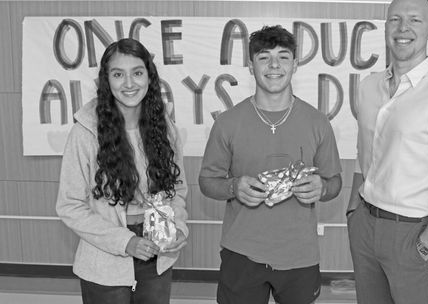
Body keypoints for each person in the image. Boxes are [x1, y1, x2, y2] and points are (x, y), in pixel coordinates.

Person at [346, 0, 428, 303]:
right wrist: (352, 212)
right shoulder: (368, 87)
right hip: (365, 225)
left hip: (413, 233)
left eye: (415, 21)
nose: (403, 28)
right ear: (385, 27)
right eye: (395, 19)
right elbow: (364, 154)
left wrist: (426, 243)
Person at [198, 25, 342, 304]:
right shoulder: (228, 122)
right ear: (251, 66)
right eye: (264, 57)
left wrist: (322, 188)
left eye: (283, 57)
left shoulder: (317, 122)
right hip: (242, 253)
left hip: (300, 255)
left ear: (295, 64)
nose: (274, 65)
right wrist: (233, 187)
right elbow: (207, 181)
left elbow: (335, 182)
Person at [56, 38, 189, 304]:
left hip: (157, 256)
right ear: (106, 81)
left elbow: (178, 190)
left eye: (137, 73)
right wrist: (124, 241)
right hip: (105, 260)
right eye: (118, 74)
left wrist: (178, 227)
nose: (129, 84)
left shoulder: (165, 127)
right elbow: (69, 205)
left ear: (149, 77)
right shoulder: (85, 132)